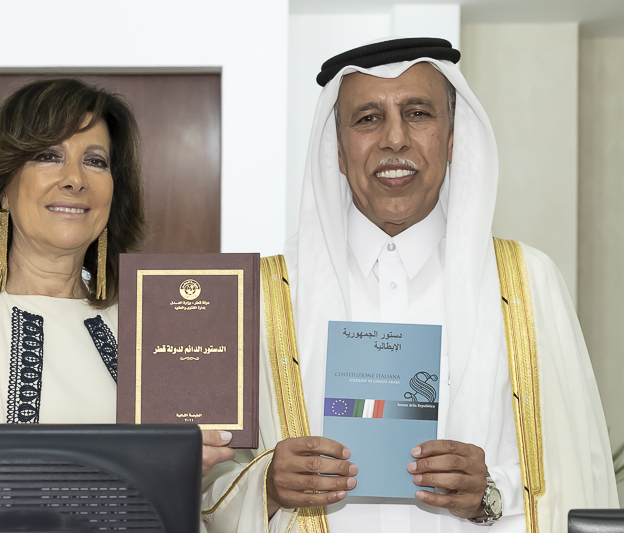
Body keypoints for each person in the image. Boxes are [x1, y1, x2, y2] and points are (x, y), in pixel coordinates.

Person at [200, 38, 618, 533]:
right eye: (368, 118)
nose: (394, 139)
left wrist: (487, 492)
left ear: (452, 138)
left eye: (418, 113)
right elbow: (204, 488)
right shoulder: (262, 297)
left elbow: (574, 479)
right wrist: (268, 485)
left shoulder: (527, 283)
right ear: (337, 147)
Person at [0, 78, 234, 476]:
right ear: (2, 186)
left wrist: (268, 486)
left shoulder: (155, 321)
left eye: (95, 161)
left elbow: (214, 495)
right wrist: (157, 461)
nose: (75, 179)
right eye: (48, 156)